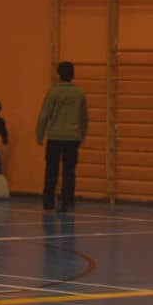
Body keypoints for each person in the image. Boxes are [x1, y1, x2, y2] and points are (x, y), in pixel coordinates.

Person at [36, 62, 87, 213]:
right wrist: (82, 134)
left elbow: (44, 115)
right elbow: (83, 118)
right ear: (73, 75)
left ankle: (48, 203)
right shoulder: (79, 94)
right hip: (72, 138)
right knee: (69, 171)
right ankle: (67, 203)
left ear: (59, 75)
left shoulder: (53, 92)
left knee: (51, 169)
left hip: (55, 137)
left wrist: (39, 134)